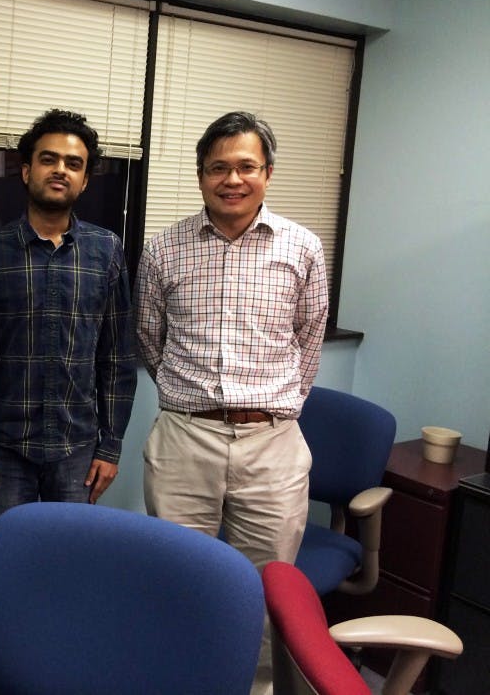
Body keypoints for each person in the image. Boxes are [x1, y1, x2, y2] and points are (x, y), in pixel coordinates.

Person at [134, 110, 329, 693]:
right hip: (184, 437)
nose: (232, 179)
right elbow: (150, 338)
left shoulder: (303, 248)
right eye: (218, 167)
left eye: (246, 166)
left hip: (273, 442)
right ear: (201, 177)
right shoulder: (163, 250)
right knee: (179, 577)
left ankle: (258, 685)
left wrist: (274, 406)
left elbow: (308, 338)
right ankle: (180, 679)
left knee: (267, 586)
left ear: (267, 173)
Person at [0, 109, 136, 534]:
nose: (60, 170)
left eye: (74, 164)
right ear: (27, 169)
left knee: (68, 559)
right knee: (9, 560)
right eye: (49, 159)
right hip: (1, 448)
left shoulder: (106, 251)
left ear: (85, 179)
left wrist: (112, 446)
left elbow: (117, 359)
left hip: (79, 450)